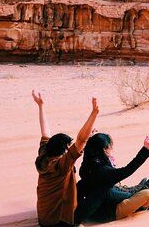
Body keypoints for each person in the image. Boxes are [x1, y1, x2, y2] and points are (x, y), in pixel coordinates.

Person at [32, 90, 99, 227]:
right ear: (63, 151)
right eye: (68, 147)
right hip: (59, 223)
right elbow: (81, 140)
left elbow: (45, 131)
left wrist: (41, 106)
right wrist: (94, 114)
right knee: (103, 192)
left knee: (84, 185)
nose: (70, 148)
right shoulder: (61, 165)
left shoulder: (44, 154)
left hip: (44, 219)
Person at [76, 133, 149, 223]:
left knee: (110, 185)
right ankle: (136, 196)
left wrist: (91, 139)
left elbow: (89, 153)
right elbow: (127, 170)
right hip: (111, 211)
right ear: (104, 149)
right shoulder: (103, 170)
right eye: (109, 147)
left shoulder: (88, 164)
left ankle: (132, 190)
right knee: (148, 194)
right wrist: (145, 150)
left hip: (97, 204)